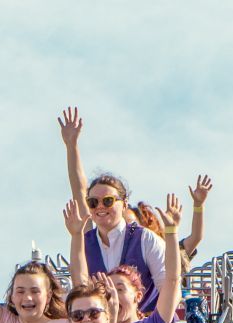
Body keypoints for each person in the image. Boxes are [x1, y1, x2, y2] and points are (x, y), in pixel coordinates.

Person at [58, 108, 166, 312]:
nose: (100, 207)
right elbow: (79, 190)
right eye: (93, 202)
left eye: (108, 201)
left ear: (124, 203)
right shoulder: (85, 241)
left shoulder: (145, 239)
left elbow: (168, 287)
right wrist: (71, 145)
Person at [66, 195, 183, 323]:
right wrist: (77, 235)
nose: (112, 294)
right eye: (108, 290)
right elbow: (80, 283)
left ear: (138, 296)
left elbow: (172, 280)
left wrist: (172, 232)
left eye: (120, 289)